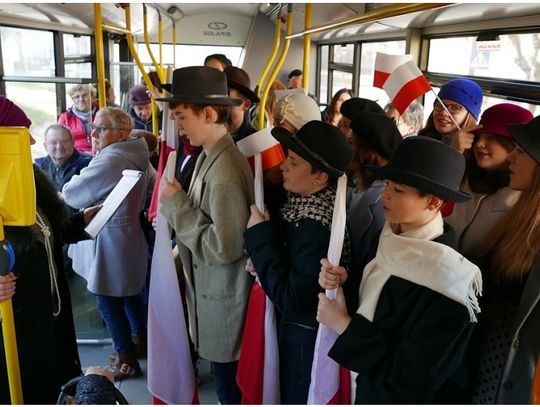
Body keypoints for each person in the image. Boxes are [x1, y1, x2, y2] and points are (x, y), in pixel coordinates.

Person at [317, 136, 482, 403]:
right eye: (389, 184)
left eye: (399, 189)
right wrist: (347, 280)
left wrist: (344, 325)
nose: (385, 193)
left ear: (433, 202)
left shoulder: (450, 282)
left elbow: (412, 377)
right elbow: (379, 298)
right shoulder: (392, 236)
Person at [157, 66, 254, 404]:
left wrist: (176, 206)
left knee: (229, 389)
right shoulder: (209, 156)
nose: (178, 126)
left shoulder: (224, 170)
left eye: (182, 116)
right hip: (213, 298)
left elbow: (224, 246)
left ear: (209, 113)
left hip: (224, 302)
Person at [244, 120, 353, 404]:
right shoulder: (300, 207)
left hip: (303, 341)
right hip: (296, 334)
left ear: (320, 178)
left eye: (293, 163)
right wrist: (263, 254)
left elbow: (291, 296)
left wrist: (260, 240)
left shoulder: (316, 225)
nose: (283, 167)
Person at [0, 96, 99, 404]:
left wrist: (81, 220)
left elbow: (51, 231)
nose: (30, 141)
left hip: (52, 315)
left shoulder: (29, 180)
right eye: (20, 133)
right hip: (17, 330)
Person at [63, 107, 152, 380]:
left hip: (110, 239)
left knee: (107, 303)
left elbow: (73, 193)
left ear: (122, 133)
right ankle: (141, 343)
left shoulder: (111, 160)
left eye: (101, 128)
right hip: (130, 234)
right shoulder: (138, 152)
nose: (94, 133)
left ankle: (126, 359)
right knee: (131, 295)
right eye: (94, 127)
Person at [468, 115, 540, 403]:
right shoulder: (518, 218)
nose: (511, 158)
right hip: (486, 359)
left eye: (520, 151)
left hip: (510, 374)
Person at [445, 103, 533, 256]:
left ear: (514, 145)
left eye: (491, 137)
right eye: (478, 136)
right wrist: (452, 155)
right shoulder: (460, 173)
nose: (479, 144)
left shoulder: (522, 196)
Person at [344, 111, 402, 312]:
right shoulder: (355, 183)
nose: (346, 148)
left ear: (370, 153)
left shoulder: (382, 200)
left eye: (352, 144)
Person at [419, 78, 483, 150]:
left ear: (470, 114)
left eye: (454, 108)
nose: (444, 113)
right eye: (440, 105)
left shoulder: (478, 149)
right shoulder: (420, 141)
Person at [35, 123, 92, 192]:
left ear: (73, 142)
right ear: (45, 146)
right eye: (53, 143)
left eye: (63, 142)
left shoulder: (88, 165)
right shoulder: (39, 167)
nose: (59, 147)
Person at [224, 66, 260, 142]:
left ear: (245, 105)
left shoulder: (256, 143)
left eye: (227, 103)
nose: (219, 109)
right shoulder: (206, 133)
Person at [59, 84, 98, 154]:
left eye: (85, 95)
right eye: (77, 97)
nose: (81, 99)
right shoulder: (65, 118)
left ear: (92, 97)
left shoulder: (102, 113)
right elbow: (60, 141)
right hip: (76, 156)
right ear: (72, 99)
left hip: (100, 154)